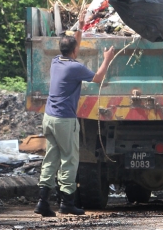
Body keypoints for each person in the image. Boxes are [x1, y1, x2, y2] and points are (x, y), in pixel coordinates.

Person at [34, 25, 115, 217]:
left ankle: (42, 201)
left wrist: (79, 25)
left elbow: (73, 46)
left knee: (51, 158)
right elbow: (97, 78)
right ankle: (67, 202)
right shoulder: (75, 67)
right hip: (64, 120)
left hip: (49, 117)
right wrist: (107, 59)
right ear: (75, 50)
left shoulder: (56, 62)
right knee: (69, 159)